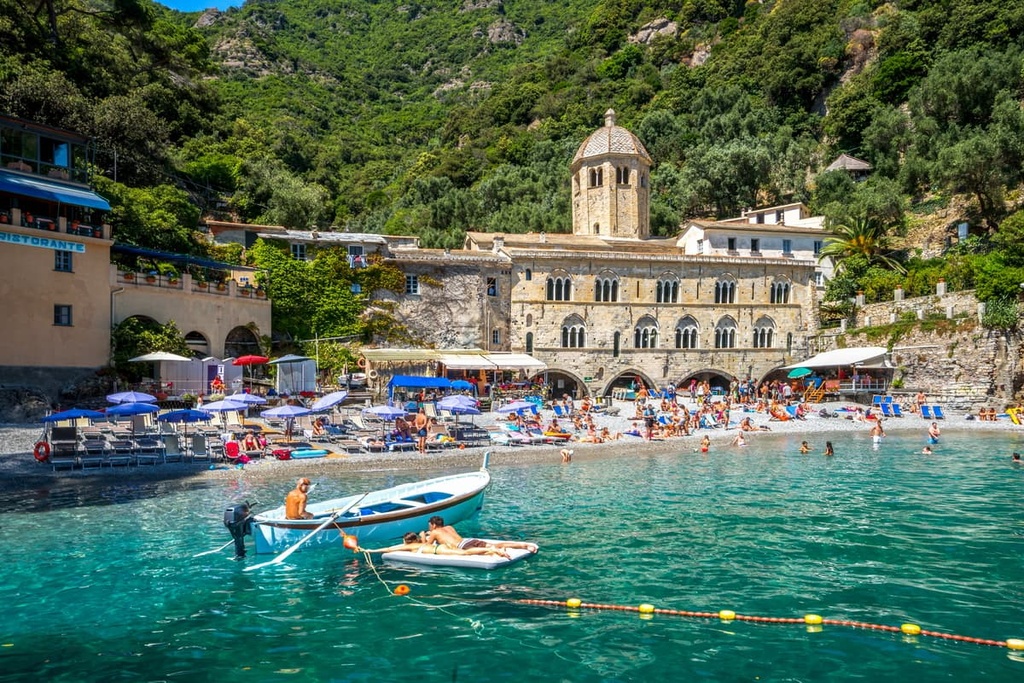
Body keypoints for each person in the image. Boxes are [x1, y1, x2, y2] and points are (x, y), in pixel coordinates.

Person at [420, 516, 538, 553]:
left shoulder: (434, 532)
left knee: (490, 550)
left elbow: (427, 547)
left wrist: (423, 536)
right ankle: (524, 545)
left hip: (462, 546)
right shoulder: (449, 527)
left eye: (430, 525)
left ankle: (497, 552)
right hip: (468, 540)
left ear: (433, 525)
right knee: (496, 544)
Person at [357, 533, 510, 558]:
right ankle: (492, 552)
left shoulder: (411, 547)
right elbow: (423, 536)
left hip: (440, 550)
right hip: (441, 547)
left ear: (407, 541)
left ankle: (492, 549)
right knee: (466, 553)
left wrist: (370, 550)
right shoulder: (420, 542)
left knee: (465, 553)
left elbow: (390, 549)